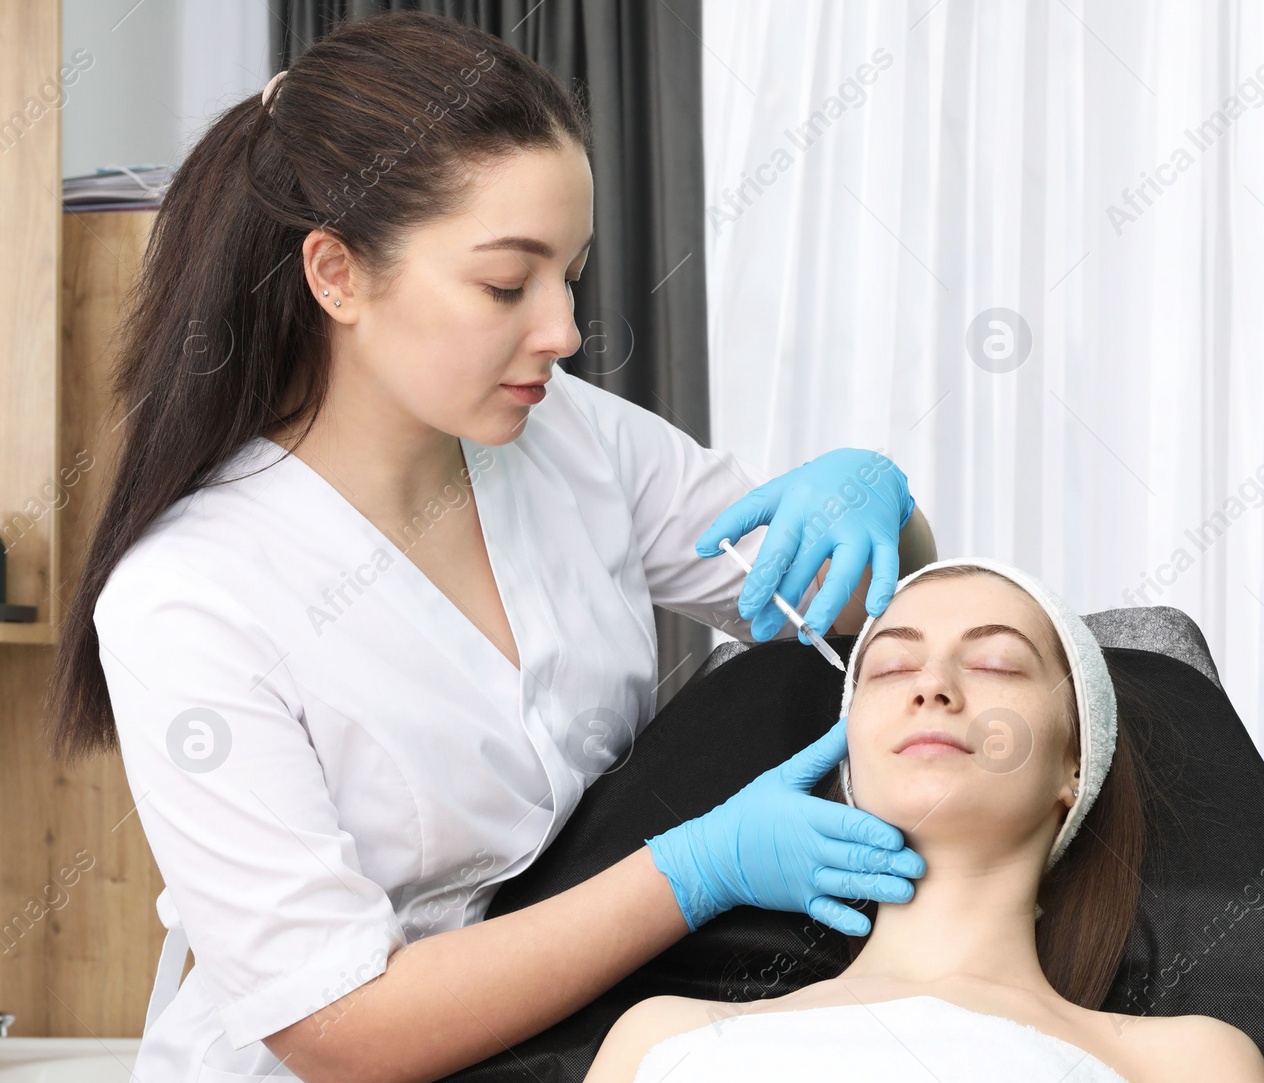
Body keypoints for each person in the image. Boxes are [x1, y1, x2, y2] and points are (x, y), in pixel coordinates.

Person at [40, 13, 937, 1083]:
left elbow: (867, 614)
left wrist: (880, 505)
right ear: (336, 276)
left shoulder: (572, 439)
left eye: (571, 274)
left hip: (586, 1037)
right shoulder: (192, 596)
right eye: (508, 285)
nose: (562, 330)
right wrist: (696, 872)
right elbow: (341, 1029)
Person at [584, 559, 1264, 1082]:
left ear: (1076, 761)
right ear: (848, 762)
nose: (931, 684)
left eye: (997, 662)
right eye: (887, 667)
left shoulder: (1186, 1064)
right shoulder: (657, 1040)